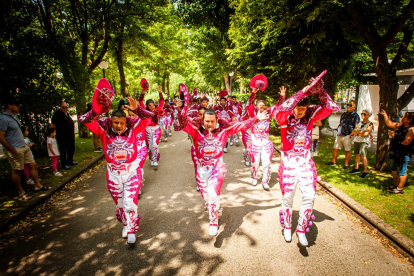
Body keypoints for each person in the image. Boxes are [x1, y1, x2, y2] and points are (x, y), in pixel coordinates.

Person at [174, 83, 269, 236]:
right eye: (206, 121)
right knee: (207, 197)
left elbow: (241, 125)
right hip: (201, 169)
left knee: (212, 192)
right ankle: (213, 206)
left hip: (217, 167)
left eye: (212, 121)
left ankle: (213, 220)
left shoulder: (224, 129)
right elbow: (183, 123)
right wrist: (181, 107)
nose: (209, 124)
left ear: (216, 120)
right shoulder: (196, 129)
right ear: (202, 120)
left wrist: (256, 119)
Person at [79, 79, 154, 244]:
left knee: (129, 203)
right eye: (115, 123)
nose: (119, 126)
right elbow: (84, 119)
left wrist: (138, 109)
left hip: (132, 172)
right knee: (120, 205)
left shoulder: (134, 128)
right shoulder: (103, 129)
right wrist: (97, 110)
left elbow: (149, 117)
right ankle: (127, 224)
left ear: (126, 122)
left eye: (121, 123)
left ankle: (132, 228)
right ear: (111, 122)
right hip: (113, 175)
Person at [276, 72, 339, 246]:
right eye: (297, 108)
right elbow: (281, 110)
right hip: (288, 165)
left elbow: (330, 107)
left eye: (303, 108)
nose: (299, 111)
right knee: (288, 198)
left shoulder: (310, 115)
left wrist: (320, 91)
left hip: (305, 164)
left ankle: (301, 228)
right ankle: (287, 226)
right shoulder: (284, 116)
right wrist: (304, 91)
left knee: (310, 196)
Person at [0, 98, 51, 200]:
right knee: (17, 170)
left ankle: (38, 185)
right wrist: (12, 149)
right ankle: (21, 192)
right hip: (14, 148)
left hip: (23, 146)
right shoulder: (3, 119)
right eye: (17, 104)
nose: (19, 106)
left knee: (33, 165)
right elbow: (1, 137)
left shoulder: (14, 117)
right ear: (10, 106)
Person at [245, 81, 285, 190]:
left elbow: (278, 106)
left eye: (263, 106)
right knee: (255, 163)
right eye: (260, 105)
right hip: (255, 144)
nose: (262, 107)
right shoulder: (253, 113)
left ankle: (265, 181)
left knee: (266, 162)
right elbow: (249, 103)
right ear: (257, 107)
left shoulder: (268, 113)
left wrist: (282, 97)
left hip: (266, 143)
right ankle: (255, 177)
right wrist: (254, 92)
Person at [379, 109, 414, 194]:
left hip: (403, 153)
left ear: (409, 120)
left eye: (405, 117)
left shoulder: (411, 130)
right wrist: (385, 115)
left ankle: (400, 188)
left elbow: (407, 142)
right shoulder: (402, 125)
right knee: (393, 168)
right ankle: (395, 184)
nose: (403, 117)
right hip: (395, 150)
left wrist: (394, 135)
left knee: (402, 170)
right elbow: (390, 124)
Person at [326, 100, 360, 169]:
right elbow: (341, 123)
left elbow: (356, 127)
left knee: (347, 150)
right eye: (348, 104)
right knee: (335, 148)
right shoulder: (344, 114)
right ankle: (333, 161)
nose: (348, 106)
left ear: (354, 107)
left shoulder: (355, 116)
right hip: (339, 134)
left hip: (348, 135)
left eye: (350, 105)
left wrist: (351, 135)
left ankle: (346, 164)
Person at [138, 85, 164, 167]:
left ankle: (155, 159)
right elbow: (140, 101)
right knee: (150, 146)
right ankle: (152, 158)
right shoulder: (145, 111)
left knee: (155, 144)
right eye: (149, 105)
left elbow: (162, 100)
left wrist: (160, 92)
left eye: (152, 105)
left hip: (156, 129)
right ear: (147, 106)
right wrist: (143, 92)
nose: (152, 107)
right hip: (148, 130)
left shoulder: (158, 109)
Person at [51, 101, 79, 170]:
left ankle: (70, 161)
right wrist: (52, 133)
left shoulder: (67, 113)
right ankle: (64, 164)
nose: (65, 109)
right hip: (62, 135)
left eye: (66, 107)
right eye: (63, 107)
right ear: (60, 107)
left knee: (71, 148)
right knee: (63, 150)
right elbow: (53, 125)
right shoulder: (57, 114)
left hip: (70, 135)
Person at [349, 110, 374, 178]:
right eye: (362, 113)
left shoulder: (370, 124)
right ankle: (356, 168)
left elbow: (366, 134)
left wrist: (358, 132)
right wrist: (361, 132)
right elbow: (353, 131)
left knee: (363, 155)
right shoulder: (359, 123)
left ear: (368, 115)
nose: (363, 115)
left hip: (364, 141)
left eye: (364, 114)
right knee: (357, 154)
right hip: (357, 140)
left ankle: (365, 171)